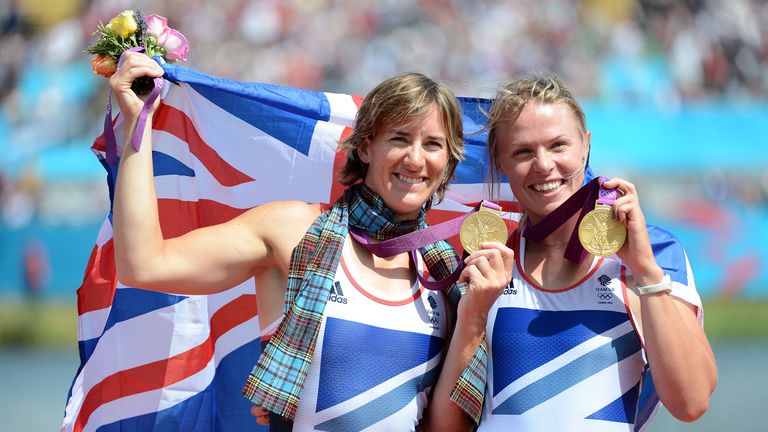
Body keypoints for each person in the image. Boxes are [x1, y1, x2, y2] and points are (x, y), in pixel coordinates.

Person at [107, 51, 513, 431]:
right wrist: (136, 125)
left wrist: (474, 315)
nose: (415, 159)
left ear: (448, 162)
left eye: (433, 144)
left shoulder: (445, 275)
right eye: (399, 138)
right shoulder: (294, 230)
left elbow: (449, 426)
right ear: (367, 145)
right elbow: (144, 263)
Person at [428, 74, 717, 431]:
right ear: (499, 161)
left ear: (586, 145)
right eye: (522, 151)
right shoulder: (485, 260)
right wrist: (473, 314)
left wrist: (645, 271)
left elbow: (692, 401)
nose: (544, 165)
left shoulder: (654, 252)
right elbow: (445, 428)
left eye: (558, 145)